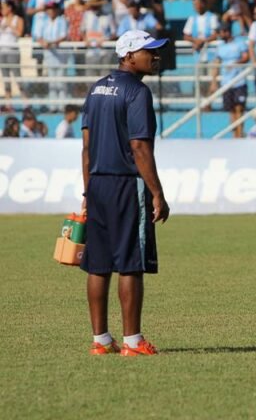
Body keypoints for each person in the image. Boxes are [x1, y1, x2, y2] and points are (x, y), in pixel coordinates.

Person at [80, 29, 170, 357]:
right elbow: (139, 147)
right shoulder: (137, 92)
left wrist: (88, 191)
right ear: (129, 55)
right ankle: (133, 341)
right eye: (149, 51)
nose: (155, 56)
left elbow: (86, 146)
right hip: (126, 184)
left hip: (98, 184)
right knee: (131, 262)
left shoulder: (96, 89)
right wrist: (157, 193)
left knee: (98, 264)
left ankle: (101, 340)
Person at [211, 22, 249, 138]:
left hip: (239, 81)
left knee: (239, 108)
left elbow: (246, 57)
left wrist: (236, 63)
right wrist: (214, 82)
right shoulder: (220, 47)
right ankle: (235, 134)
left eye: (221, 32)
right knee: (231, 110)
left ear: (227, 32)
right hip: (226, 83)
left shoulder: (239, 43)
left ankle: (240, 132)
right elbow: (216, 63)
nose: (219, 35)